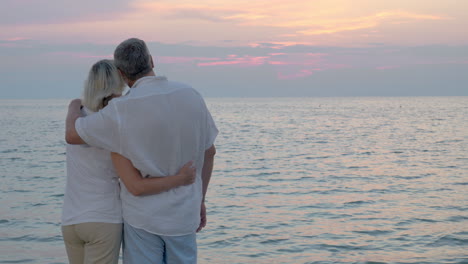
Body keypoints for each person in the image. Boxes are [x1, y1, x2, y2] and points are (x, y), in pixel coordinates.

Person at [65, 38, 218, 264]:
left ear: (121, 72)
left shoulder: (120, 110)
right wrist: (200, 200)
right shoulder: (191, 95)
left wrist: (73, 106)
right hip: (184, 214)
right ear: (151, 60)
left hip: (142, 217)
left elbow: (74, 135)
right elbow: (209, 152)